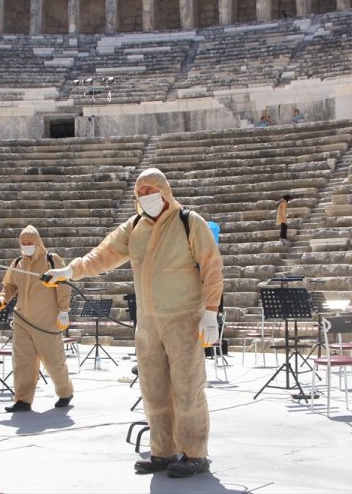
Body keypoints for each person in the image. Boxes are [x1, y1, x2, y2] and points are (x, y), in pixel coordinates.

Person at [44, 168, 224, 478]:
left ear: (165, 191)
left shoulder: (189, 222)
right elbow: (104, 254)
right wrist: (69, 272)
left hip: (183, 320)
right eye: (139, 193)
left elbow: (211, 265)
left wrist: (210, 311)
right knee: (152, 388)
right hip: (148, 324)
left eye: (150, 190)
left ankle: (195, 454)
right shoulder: (135, 226)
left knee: (187, 388)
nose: (145, 197)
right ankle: (163, 451)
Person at [0, 225, 74, 412]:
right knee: (23, 361)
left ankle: (65, 392)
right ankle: (22, 399)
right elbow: (10, 286)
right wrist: (2, 298)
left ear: (38, 243)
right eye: (23, 243)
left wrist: (63, 311)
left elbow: (63, 286)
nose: (26, 246)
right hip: (22, 319)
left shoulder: (52, 260)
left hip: (46, 321)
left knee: (54, 361)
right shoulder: (17, 264)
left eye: (30, 242)